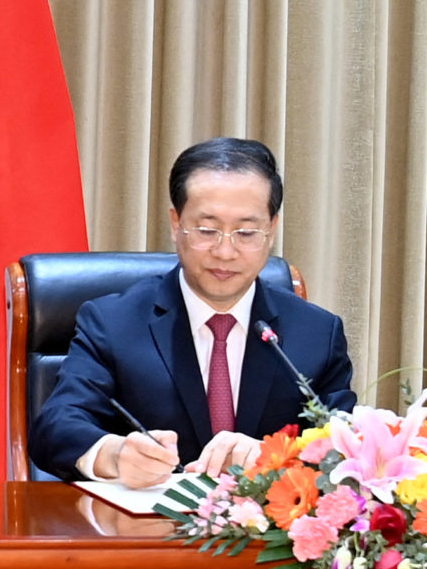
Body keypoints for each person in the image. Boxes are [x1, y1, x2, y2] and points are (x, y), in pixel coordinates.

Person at [30, 137, 353, 486]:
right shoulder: (114, 322)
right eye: (207, 230)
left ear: (271, 230)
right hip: (146, 533)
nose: (225, 252)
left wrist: (273, 459)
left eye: (246, 232)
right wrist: (116, 454)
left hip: (265, 535)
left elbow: (344, 446)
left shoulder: (316, 333)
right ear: (175, 223)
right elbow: (57, 426)